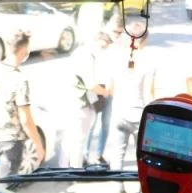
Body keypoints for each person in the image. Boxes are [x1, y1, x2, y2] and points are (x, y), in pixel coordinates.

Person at [0, 30, 45, 178]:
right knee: (7, 183)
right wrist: (38, 145)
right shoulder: (19, 79)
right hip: (10, 140)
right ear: (25, 49)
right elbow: (25, 118)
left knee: (4, 175)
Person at [107, 21, 155, 176]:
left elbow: (110, 89)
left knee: (117, 154)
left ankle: (116, 188)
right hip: (140, 115)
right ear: (144, 39)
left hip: (119, 112)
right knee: (142, 156)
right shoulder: (148, 61)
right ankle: (144, 187)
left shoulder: (115, 58)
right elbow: (149, 94)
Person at [61, 31, 111, 168]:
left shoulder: (78, 52)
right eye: (102, 46)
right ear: (95, 42)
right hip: (80, 102)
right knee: (78, 141)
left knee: (69, 138)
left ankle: (63, 168)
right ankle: (75, 171)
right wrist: (105, 92)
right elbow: (91, 85)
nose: (102, 50)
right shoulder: (86, 56)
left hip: (71, 98)